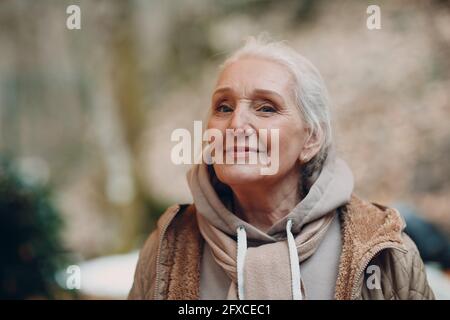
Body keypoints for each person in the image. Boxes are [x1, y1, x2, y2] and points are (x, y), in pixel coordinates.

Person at [129, 36, 434, 300]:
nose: (236, 124)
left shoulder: (383, 250)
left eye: (266, 108)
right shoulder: (168, 247)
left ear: (311, 139)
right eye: (224, 107)